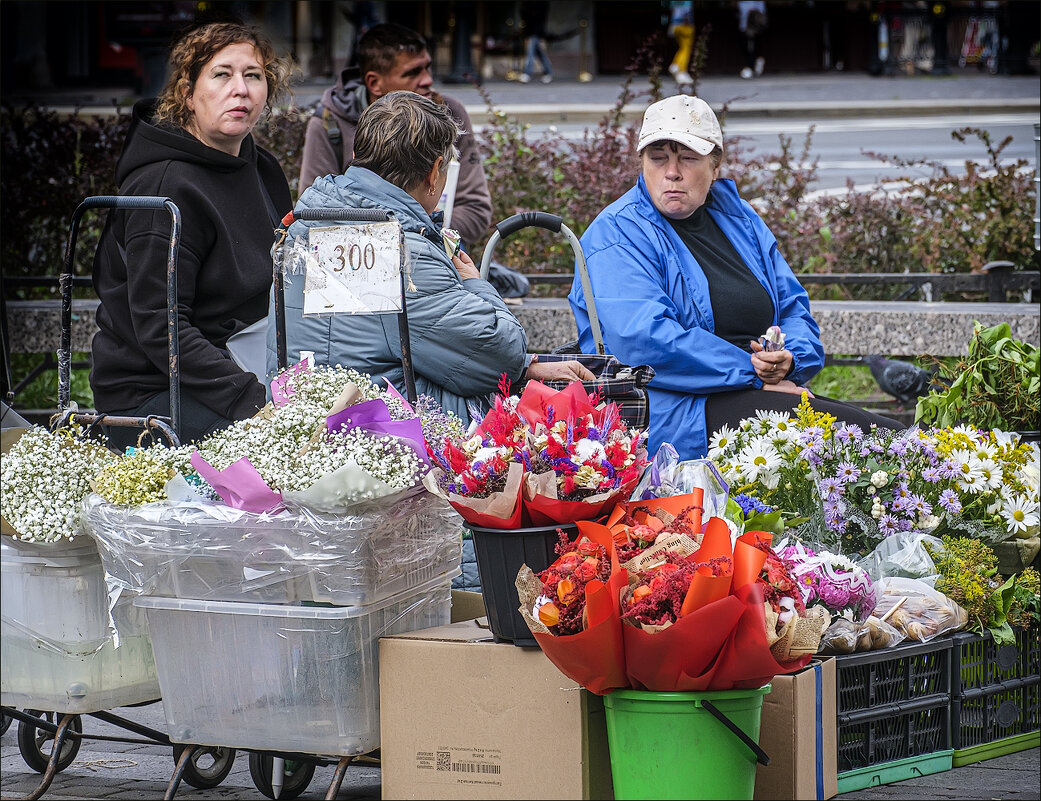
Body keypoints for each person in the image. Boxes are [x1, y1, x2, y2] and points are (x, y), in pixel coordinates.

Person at [568, 94, 903, 461]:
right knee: (884, 446)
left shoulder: (738, 217)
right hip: (678, 415)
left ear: (715, 165)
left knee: (894, 442)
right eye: (658, 156)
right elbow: (644, 342)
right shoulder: (616, 233)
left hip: (758, 392)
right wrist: (753, 373)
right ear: (642, 162)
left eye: (688, 158)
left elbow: (792, 306)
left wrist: (789, 360)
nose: (672, 171)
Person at [273, 90, 594, 423]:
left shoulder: (302, 229)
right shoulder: (398, 250)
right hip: (389, 440)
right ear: (434, 171)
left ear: (355, 153)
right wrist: (474, 284)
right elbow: (500, 353)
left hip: (300, 426)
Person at [90, 22, 295, 450]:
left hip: (245, 370)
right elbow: (160, 328)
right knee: (301, 449)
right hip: (152, 397)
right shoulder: (164, 187)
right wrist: (253, 401)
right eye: (222, 74)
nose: (240, 89)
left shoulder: (262, 169)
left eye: (253, 75)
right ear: (187, 93)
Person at [298, 23, 492, 250]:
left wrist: (427, 240)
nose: (427, 79)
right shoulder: (329, 123)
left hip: (438, 250)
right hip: (361, 260)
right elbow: (316, 214)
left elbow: (476, 209)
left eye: (428, 68)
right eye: (412, 72)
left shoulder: (450, 113)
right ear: (374, 82)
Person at [519, 1, 554, 84]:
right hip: (531, 30)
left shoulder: (540, 4)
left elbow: (541, 17)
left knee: (530, 51)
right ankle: (548, 72)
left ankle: (527, 73)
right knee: (539, 52)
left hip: (536, 31)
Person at [667, 1, 695, 89]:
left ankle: (676, 65)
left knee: (682, 48)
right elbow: (686, 11)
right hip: (685, 25)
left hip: (675, 25)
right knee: (686, 49)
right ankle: (680, 68)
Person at [738, 1, 767, 79]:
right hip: (743, 28)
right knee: (744, 48)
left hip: (754, 29)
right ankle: (755, 64)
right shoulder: (742, 3)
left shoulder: (758, 2)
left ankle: (750, 68)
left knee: (752, 48)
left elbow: (761, 13)